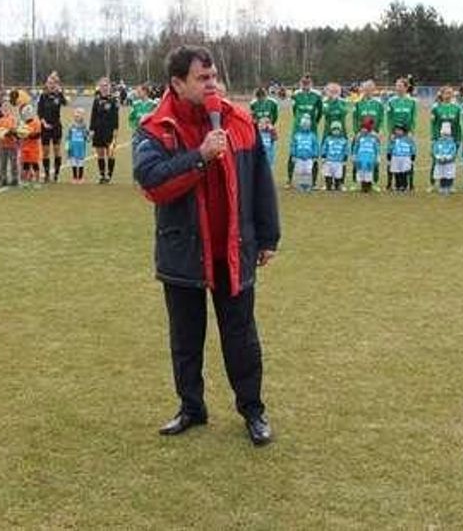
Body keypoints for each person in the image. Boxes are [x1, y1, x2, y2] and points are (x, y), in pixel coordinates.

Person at [132, 45, 279, 447]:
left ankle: (253, 410)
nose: (212, 84)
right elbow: (152, 182)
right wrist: (199, 157)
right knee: (185, 338)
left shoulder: (239, 121)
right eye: (202, 78)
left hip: (232, 250)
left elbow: (260, 181)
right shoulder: (156, 128)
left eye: (213, 76)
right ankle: (191, 408)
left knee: (242, 337)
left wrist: (268, 236)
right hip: (183, 252)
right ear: (177, 83)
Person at [288, 74, 323, 183]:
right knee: (294, 151)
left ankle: (313, 181)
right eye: (303, 84)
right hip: (298, 128)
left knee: (313, 151)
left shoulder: (316, 95)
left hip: (311, 128)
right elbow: (294, 110)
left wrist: (315, 122)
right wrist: (299, 121)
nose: (305, 86)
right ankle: (290, 179)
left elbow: (320, 110)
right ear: (300, 84)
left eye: (307, 84)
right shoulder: (296, 95)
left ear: (311, 84)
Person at [37, 72, 70, 183]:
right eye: (49, 83)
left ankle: (56, 175)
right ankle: (46, 174)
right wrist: (44, 123)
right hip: (45, 127)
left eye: (53, 83)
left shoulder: (58, 95)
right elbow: (39, 112)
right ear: (46, 84)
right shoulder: (43, 96)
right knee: (45, 152)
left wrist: (60, 93)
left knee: (57, 150)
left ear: (56, 84)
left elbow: (66, 103)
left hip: (56, 126)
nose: (51, 85)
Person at [352, 80, 385, 186]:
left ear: (373, 90)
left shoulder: (378, 104)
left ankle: (374, 182)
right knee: (357, 157)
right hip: (360, 134)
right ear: (363, 90)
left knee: (374, 158)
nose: (368, 91)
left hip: (374, 135)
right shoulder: (358, 103)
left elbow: (382, 119)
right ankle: (356, 182)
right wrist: (357, 132)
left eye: (370, 89)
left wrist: (379, 131)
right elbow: (355, 119)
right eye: (366, 89)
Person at [386, 78, 417, 190]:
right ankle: (391, 183)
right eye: (396, 86)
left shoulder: (412, 101)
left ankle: (409, 184)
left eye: (400, 86)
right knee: (393, 157)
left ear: (406, 87)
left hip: (407, 134)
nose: (397, 88)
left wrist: (411, 132)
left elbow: (413, 118)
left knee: (407, 157)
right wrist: (391, 132)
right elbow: (389, 118)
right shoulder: (391, 101)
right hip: (395, 133)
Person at [429, 85, 462, 190]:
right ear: (442, 94)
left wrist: (457, 139)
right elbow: (433, 124)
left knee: (450, 161)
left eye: (450, 93)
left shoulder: (456, 108)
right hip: (439, 140)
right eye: (446, 93)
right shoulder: (436, 107)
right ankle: (433, 184)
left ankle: (450, 184)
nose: (448, 95)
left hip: (451, 140)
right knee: (436, 160)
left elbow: (458, 125)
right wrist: (434, 138)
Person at [90, 76, 120, 183]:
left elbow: (116, 117)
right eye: (102, 85)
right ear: (99, 87)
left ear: (109, 86)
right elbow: (93, 115)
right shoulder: (97, 100)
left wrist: (115, 130)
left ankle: (109, 175)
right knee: (100, 153)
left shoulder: (113, 100)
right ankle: (102, 175)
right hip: (98, 130)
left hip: (109, 130)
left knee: (110, 153)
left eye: (106, 85)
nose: (104, 87)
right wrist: (92, 129)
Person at [351, 116, 381, 193]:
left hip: (370, 157)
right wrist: (354, 155)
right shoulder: (359, 136)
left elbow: (377, 147)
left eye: (365, 128)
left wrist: (378, 156)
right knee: (361, 171)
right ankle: (362, 185)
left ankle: (370, 185)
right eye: (362, 128)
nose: (363, 130)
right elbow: (355, 146)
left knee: (369, 171)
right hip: (361, 157)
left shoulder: (374, 137)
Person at [289, 115, 319, 192]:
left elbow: (315, 146)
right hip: (299, 158)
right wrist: (293, 155)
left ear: (309, 126)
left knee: (308, 172)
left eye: (307, 125)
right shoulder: (297, 135)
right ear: (301, 125)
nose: (305, 127)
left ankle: (308, 185)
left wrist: (315, 155)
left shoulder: (312, 136)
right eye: (304, 125)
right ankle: (300, 185)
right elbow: (293, 145)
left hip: (309, 158)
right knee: (300, 172)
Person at [0, 101, 19, 186]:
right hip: (2, 145)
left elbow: (15, 130)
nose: (5, 110)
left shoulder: (13, 119)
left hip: (12, 145)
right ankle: (3, 179)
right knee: (3, 163)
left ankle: (15, 179)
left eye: (7, 108)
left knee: (13, 163)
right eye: (4, 108)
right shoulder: (0, 120)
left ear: (10, 109)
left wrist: (9, 132)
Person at [18, 103, 43, 187]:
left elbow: (37, 135)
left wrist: (27, 134)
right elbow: (19, 134)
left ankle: (37, 181)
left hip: (33, 147)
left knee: (35, 164)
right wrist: (20, 134)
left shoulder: (36, 122)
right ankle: (25, 180)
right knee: (26, 164)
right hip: (25, 146)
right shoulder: (22, 123)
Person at [320, 120, 349, 191]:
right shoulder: (328, 139)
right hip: (329, 161)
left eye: (337, 129)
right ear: (331, 130)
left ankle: (338, 185)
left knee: (338, 176)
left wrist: (345, 158)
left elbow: (346, 150)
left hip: (338, 161)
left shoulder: (343, 140)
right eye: (334, 129)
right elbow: (324, 148)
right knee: (328, 175)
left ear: (340, 130)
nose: (336, 131)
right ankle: (328, 184)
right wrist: (323, 156)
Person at [388, 124, 416, 193]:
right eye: (396, 130)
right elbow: (390, 147)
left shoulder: (408, 139)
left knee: (404, 172)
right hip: (396, 157)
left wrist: (413, 155)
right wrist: (389, 154)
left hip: (405, 157)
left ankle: (404, 185)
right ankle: (397, 185)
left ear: (403, 131)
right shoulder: (394, 139)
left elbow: (412, 147)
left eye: (399, 130)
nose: (397, 132)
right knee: (396, 172)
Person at [432, 122, 459, 194]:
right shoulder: (438, 142)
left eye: (446, 135)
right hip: (440, 162)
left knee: (449, 175)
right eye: (444, 134)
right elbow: (435, 151)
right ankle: (442, 186)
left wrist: (448, 157)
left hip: (449, 163)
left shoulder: (452, 143)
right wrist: (438, 157)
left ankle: (449, 186)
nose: (445, 136)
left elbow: (453, 151)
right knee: (442, 175)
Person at [65, 107, 89, 184]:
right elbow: (68, 136)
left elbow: (87, 137)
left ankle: (81, 177)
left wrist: (88, 137)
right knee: (74, 161)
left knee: (80, 161)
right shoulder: (71, 125)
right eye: (76, 116)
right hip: (73, 145)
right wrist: (67, 146)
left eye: (78, 116)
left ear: (82, 116)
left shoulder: (84, 126)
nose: (77, 117)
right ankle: (75, 177)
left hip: (81, 146)